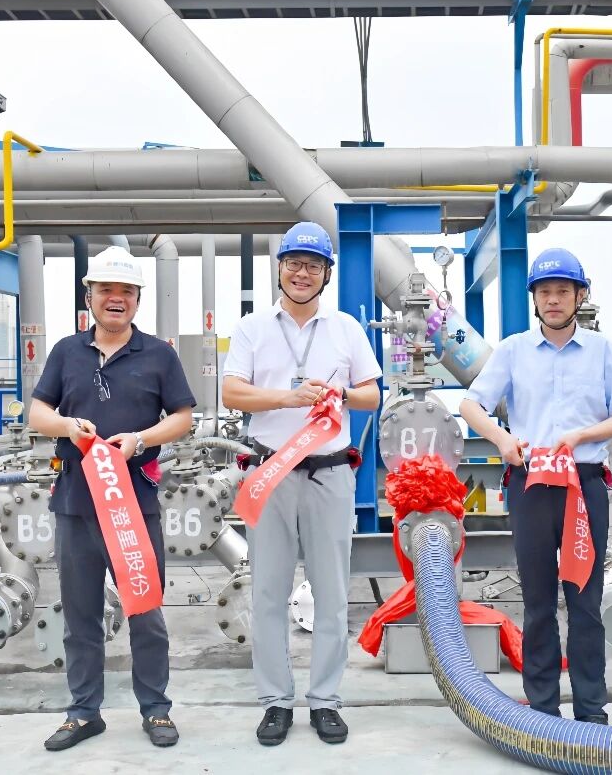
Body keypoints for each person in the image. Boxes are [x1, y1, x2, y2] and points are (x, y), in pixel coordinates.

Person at [459, 248, 612, 724]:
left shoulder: (602, 351)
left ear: (580, 296)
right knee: (537, 599)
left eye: (563, 291)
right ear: (534, 299)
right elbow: (472, 405)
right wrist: (502, 440)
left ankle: (591, 709)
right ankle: (542, 709)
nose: (553, 300)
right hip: (532, 484)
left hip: (585, 485)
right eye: (545, 292)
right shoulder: (513, 350)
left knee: (586, 600)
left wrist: (581, 436)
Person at [221, 221, 383, 747]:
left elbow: (372, 396)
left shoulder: (345, 329)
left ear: (326, 274)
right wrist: (287, 398)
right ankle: (275, 701)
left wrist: (339, 394)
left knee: (332, 592)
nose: (302, 273)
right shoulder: (252, 327)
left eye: (313, 265)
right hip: (270, 472)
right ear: (280, 268)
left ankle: (325, 701)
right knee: (267, 591)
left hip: (329, 473)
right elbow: (231, 393)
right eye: (294, 263)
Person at [30, 245, 196, 751]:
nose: (116, 299)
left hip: (133, 506)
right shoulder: (66, 352)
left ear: (138, 299)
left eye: (126, 291)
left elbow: (183, 418)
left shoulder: (160, 355)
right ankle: (84, 712)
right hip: (76, 505)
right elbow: (37, 414)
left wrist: (141, 440)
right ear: (90, 297)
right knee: (79, 615)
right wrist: (67, 427)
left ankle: (156, 709)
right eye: (106, 290)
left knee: (145, 610)